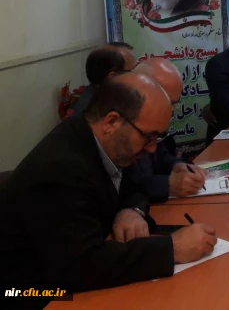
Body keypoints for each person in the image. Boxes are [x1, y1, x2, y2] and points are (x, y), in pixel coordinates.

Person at [0, 74, 217, 305]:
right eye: (148, 137)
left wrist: (130, 209)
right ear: (111, 122)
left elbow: (134, 185)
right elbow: (81, 266)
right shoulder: (61, 168)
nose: (152, 149)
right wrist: (173, 249)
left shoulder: (107, 143)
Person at [125, 58, 207, 202]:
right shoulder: (120, 126)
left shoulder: (155, 122)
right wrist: (166, 185)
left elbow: (162, 157)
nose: (172, 111)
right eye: (169, 102)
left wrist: (177, 165)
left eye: (175, 103)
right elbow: (123, 188)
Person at [72, 42, 137, 116]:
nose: (139, 75)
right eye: (133, 70)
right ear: (113, 77)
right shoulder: (96, 114)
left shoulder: (108, 96)